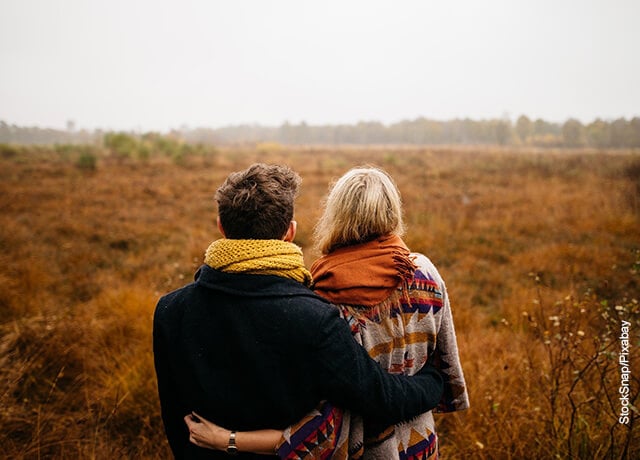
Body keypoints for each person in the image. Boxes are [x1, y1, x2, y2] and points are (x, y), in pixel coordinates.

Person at [153, 163, 445, 459]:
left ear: (220, 225)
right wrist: (433, 383)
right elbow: (378, 397)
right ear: (290, 232)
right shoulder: (315, 317)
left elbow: (176, 421)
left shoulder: (169, 310)